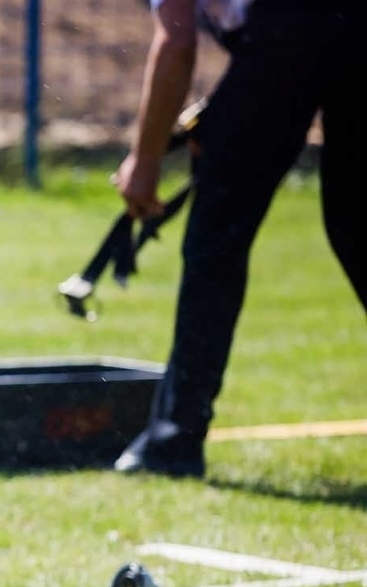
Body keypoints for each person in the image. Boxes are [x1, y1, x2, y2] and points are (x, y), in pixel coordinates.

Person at [112, 0, 365, 477]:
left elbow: (176, 44)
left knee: (216, 240)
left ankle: (173, 439)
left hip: (293, 31)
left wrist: (144, 163)